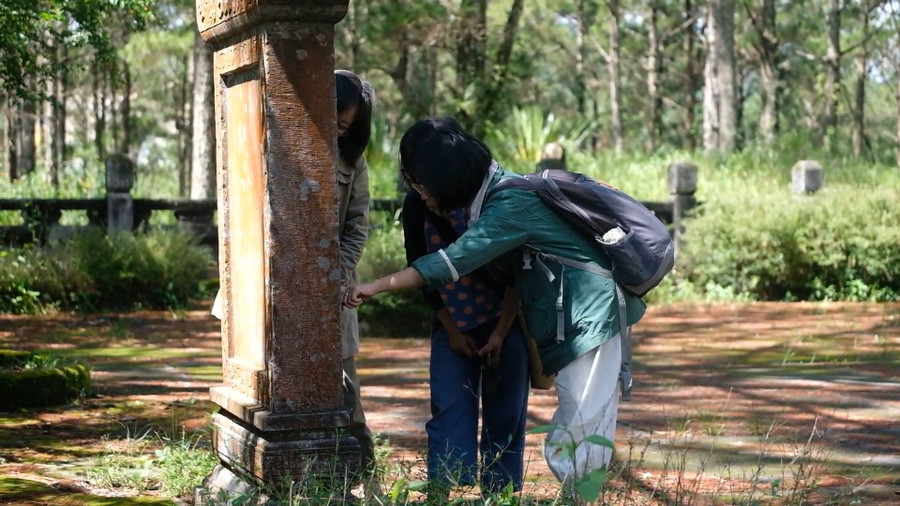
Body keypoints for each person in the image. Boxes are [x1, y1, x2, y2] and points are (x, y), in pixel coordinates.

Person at [344, 118, 646, 484]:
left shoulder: (507, 204)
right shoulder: (497, 195)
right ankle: (577, 493)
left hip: (591, 316)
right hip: (573, 319)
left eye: (422, 184)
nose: (420, 194)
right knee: (578, 424)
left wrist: (374, 287)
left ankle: (578, 494)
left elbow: (449, 263)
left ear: (444, 178)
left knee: (581, 427)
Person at [399, 118, 530, 497]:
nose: (420, 187)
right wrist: (452, 331)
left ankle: (501, 496)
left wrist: (501, 332)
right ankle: (443, 494)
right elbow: (419, 269)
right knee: (449, 410)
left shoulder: (495, 199)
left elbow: (518, 272)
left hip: (507, 323)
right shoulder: (416, 208)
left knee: (506, 415)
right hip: (450, 325)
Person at [333, 69, 378, 488]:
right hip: (273, 289)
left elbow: (357, 227)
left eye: (347, 125)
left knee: (347, 391)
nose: (340, 128)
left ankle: (368, 478)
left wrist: (336, 276)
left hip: (335, 287)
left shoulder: (353, 162)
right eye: (336, 118)